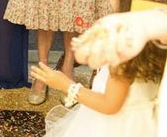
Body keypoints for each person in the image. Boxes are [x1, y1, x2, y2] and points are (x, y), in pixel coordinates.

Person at [31, 43, 164, 136]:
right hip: (145, 123)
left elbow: (110, 104)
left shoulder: (124, 49)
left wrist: (65, 84)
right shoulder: (156, 38)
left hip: (116, 126)